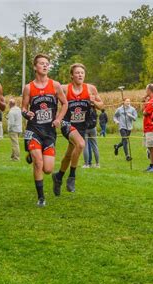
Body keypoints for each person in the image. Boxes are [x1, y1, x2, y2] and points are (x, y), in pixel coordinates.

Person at [22, 53, 68, 207]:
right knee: (38, 162)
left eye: (47, 63)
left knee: (48, 169)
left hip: (49, 131)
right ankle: (41, 198)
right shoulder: (28, 87)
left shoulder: (55, 85)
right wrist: (26, 113)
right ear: (35, 67)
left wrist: (58, 119)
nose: (45, 65)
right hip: (34, 129)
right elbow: (23, 107)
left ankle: (32, 153)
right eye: (41, 63)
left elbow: (65, 104)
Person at [52, 63, 103, 196]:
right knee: (81, 144)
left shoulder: (91, 89)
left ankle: (58, 177)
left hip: (81, 126)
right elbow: (50, 90)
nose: (80, 75)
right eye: (77, 73)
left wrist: (93, 102)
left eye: (82, 73)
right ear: (72, 75)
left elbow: (101, 106)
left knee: (69, 154)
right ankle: (72, 177)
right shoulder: (65, 89)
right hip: (67, 123)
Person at [142, 84, 153, 172]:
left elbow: (145, 112)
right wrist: (145, 101)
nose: (146, 92)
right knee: (150, 146)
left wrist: (145, 103)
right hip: (148, 126)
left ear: (149, 90)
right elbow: (144, 111)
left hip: (151, 126)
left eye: (146, 90)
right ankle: (151, 165)